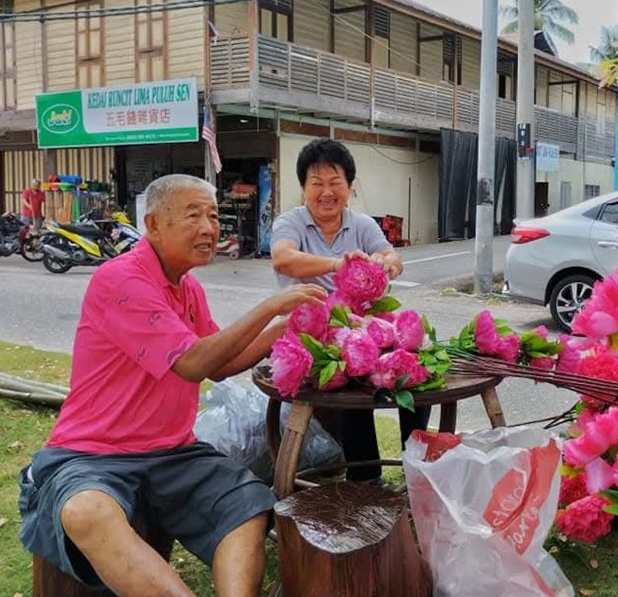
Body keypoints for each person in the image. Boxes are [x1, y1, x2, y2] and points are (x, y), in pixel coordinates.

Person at [19, 174, 326, 597]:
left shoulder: (188, 287)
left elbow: (221, 364)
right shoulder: (121, 279)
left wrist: (284, 327)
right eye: (193, 215)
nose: (209, 227)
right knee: (86, 511)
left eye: (214, 216)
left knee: (248, 506)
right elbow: (191, 362)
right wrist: (271, 306)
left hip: (173, 451)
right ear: (154, 225)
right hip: (92, 453)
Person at [271, 138, 429, 483]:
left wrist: (383, 263)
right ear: (303, 188)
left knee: (414, 370)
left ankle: (418, 466)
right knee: (351, 375)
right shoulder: (290, 223)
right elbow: (283, 259)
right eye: (317, 184)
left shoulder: (361, 225)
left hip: (362, 329)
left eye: (335, 183)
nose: (326, 192)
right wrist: (337, 264)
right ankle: (365, 478)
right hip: (313, 336)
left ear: (350, 187)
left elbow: (393, 258)